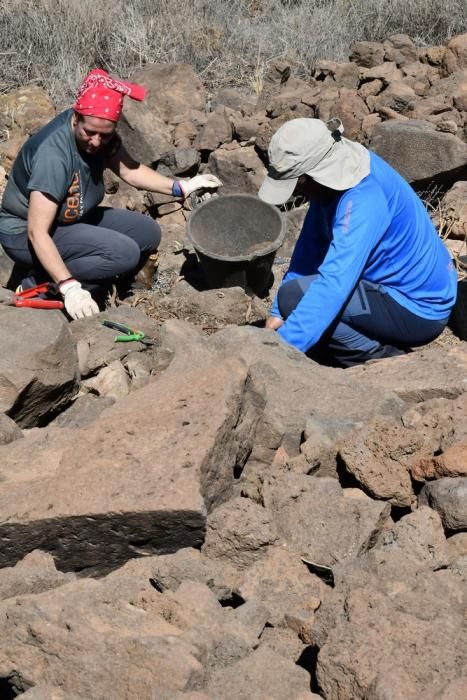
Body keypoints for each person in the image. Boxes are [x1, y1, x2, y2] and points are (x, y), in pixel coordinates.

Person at [0, 69, 221, 319]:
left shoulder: (101, 134)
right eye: (89, 132)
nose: (95, 142)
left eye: (104, 135)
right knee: (122, 253)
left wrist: (180, 187)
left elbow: (130, 171)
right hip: (24, 235)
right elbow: (36, 231)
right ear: (76, 118)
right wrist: (68, 286)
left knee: (147, 232)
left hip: (69, 219)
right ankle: (38, 285)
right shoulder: (53, 155)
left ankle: (98, 276)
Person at [258, 118, 458, 367]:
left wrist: (280, 355)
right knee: (291, 299)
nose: (297, 193)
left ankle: (387, 360)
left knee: (296, 298)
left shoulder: (364, 198)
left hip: (419, 308)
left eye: (297, 183)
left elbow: (335, 282)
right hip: (389, 290)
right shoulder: (329, 187)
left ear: (315, 173)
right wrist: (278, 313)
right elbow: (310, 250)